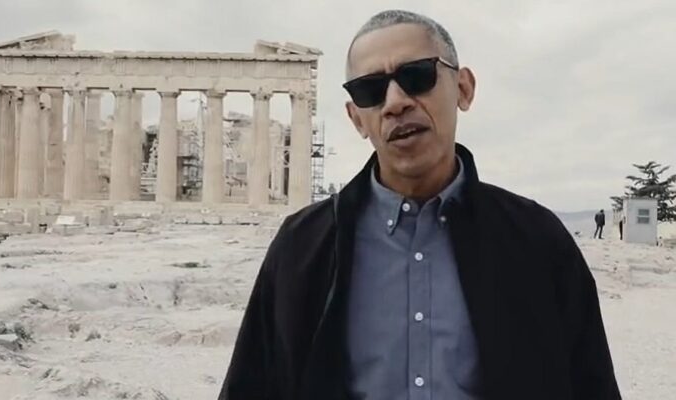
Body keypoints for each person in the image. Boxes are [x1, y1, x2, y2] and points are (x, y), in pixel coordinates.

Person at [220, 9, 620, 400]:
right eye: (370, 90)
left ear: (464, 89)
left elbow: (591, 384)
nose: (395, 102)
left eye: (416, 76)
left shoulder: (538, 239)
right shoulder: (300, 245)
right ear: (357, 119)